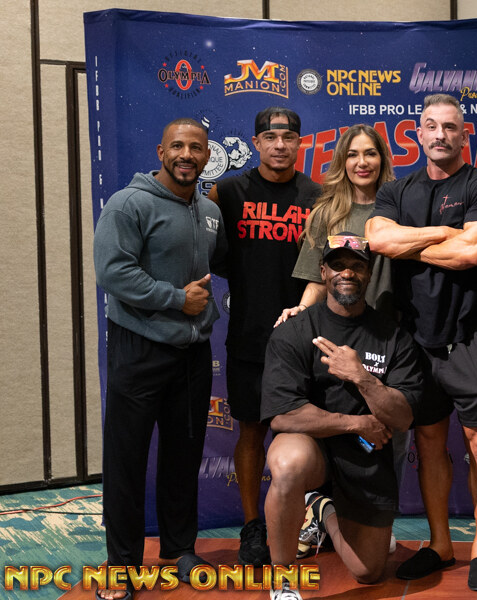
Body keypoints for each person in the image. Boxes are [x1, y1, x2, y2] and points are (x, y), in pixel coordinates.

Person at [366, 93, 477, 592]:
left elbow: (472, 253)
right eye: (431, 126)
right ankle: (440, 544)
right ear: (418, 133)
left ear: (464, 134)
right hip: (413, 341)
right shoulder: (396, 189)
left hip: (473, 336)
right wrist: (444, 233)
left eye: (450, 127)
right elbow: (378, 241)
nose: (440, 135)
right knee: (429, 444)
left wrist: (411, 242)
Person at [93, 118, 227, 600]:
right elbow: (112, 272)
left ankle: (179, 549)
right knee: (126, 460)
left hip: (192, 353)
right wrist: (176, 299)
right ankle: (121, 565)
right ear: (161, 151)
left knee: (183, 456)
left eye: (196, 147)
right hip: (139, 348)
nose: (187, 154)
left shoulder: (208, 210)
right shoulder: (129, 204)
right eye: (177, 146)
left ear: (207, 154)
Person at [261, 235, 423, 599]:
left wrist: (360, 376)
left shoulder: (393, 336)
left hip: (364, 453)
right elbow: (283, 416)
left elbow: (402, 418)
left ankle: (323, 510)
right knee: (288, 462)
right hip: (313, 445)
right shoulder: (295, 330)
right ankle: (282, 581)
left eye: (356, 266)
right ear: (323, 272)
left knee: (368, 572)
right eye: (337, 265)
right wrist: (355, 422)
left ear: (368, 274)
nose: (347, 273)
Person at [274, 124, 407, 556]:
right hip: (339, 334)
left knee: (387, 433)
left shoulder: (398, 205)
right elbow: (317, 277)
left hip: (388, 334)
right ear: (341, 162)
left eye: (370, 153)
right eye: (353, 154)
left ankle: (372, 519)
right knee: (332, 428)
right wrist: (300, 312)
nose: (362, 162)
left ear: (382, 159)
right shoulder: (326, 212)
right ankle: (320, 514)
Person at [207, 107, 320, 567]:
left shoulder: (317, 195)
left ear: (300, 143)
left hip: (305, 337)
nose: (279, 145)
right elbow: (212, 254)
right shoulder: (228, 192)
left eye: (288, 137)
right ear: (255, 143)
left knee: (312, 432)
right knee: (251, 432)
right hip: (249, 335)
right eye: (270, 137)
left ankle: (311, 520)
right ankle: (253, 525)